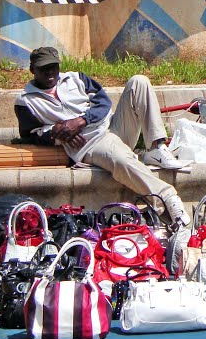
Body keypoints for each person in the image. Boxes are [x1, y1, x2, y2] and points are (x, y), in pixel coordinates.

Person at [15, 46, 189, 224]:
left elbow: (103, 103)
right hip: (91, 143)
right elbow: (30, 135)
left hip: (112, 125)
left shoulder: (76, 78)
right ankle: (166, 197)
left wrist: (81, 121)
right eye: (43, 68)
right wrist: (56, 132)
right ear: (32, 70)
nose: (50, 72)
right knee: (122, 160)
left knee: (139, 81)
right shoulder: (26, 101)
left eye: (53, 66)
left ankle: (156, 147)